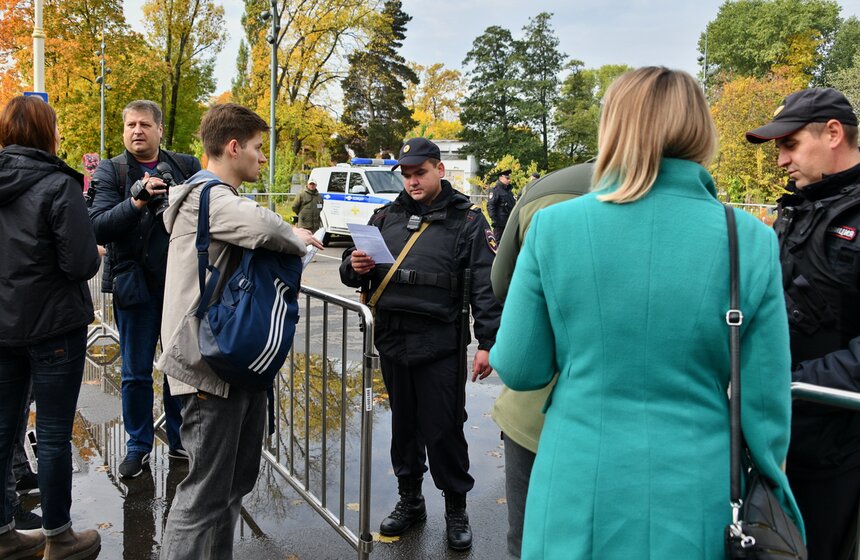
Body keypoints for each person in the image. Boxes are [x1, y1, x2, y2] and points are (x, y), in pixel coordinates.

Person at [490, 67, 803, 559]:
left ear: (614, 127)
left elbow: (521, 368)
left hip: (578, 483)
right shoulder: (751, 239)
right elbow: (764, 408)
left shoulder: (554, 227)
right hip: (698, 490)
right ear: (701, 130)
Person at [157, 103, 321, 559]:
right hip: (206, 368)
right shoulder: (210, 197)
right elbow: (263, 225)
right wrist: (297, 235)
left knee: (229, 489)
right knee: (204, 496)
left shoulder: (212, 198)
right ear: (233, 147)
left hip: (224, 364)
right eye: (255, 148)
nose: (262, 158)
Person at [339, 137, 501, 551]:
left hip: (440, 342)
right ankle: (410, 501)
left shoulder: (468, 221)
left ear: (439, 170)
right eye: (407, 175)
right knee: (404, 426)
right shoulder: (384, 217)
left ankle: (455, 509)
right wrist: (354, 267)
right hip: (393, 338)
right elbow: (351, 272)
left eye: (420, 173)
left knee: (445, 427)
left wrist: (487, 342)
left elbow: (484, 286)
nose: (412, 181)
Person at [746, 87, 860, 559]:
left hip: (835, 445)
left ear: (833, 133)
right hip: (780, 432)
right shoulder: (799, 208)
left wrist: (789, 383)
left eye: (790, 145)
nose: (780, 161)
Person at [0, 96, 102, 559]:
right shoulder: (59, 184)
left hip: (3, 327)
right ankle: (59, 536)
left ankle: (4, 530)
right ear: (47, 133)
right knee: (56, 432)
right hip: (54, 328)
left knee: (3, 430)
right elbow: (80, 263)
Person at [89, 100, 201, 479]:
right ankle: (137, 445)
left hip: (179, 287)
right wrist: (137, 200)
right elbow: (99, 226)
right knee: (136, 372)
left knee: (178, 369)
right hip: (134, 287)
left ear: (159, 130)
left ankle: (179, 439)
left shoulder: (186, 166)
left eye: (144, 124)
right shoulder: (112, 170)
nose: (137, 130)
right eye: (130, 125)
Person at [489, 162, 592, 557]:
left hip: (537, 408)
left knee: (528, 540)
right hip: (671, 438)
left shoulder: (545, 194)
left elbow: (502, 286)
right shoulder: (736, 231)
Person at [487, 169, 516, 240]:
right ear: (501, 178)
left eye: (510, 178)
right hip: (499, 223)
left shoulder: (509, 191)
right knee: (498, 243)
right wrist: (494, 220)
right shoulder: (496, 190)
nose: (509, 180)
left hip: (509, 221)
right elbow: (491, 205)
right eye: (507, 178)